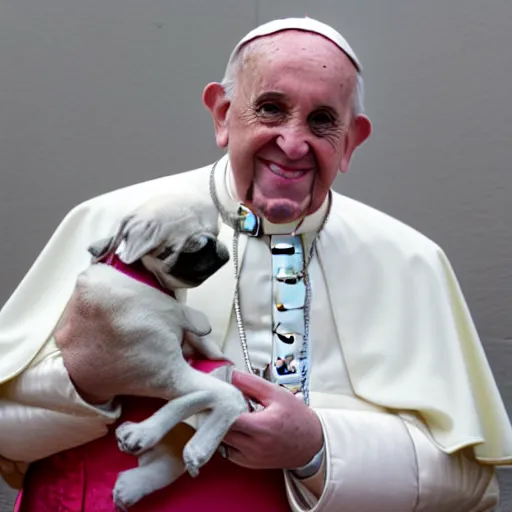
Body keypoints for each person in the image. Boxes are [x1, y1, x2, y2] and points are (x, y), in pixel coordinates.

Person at [0, 16, 511, 512]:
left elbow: (470, 487)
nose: (292, 143)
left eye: (322, 121)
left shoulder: (409, 262)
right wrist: (84, 383)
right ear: (222, 114)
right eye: (270, 109)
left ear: (352, 140)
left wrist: (316, 447)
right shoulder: (118, 223)